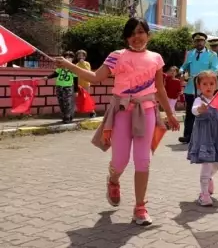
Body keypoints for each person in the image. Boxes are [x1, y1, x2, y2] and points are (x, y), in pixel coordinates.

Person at [54, 17, 180, 225]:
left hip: (147, 111)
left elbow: (160, 89)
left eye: (140, 32)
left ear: (148, 34)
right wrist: (69, 65)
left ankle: (140, 208)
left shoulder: (156, 58)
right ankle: (113, 180)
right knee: (120, 160)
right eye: (131, 34)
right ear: (126, 38)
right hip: (122, 111)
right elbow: (95, 77)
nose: (136, 37)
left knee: (143, 160)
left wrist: (170, 113)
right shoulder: (117, 56)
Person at [187, 70, 218, 206]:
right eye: (205, 84)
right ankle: (204, 194)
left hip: (216, 136)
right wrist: (200, 109)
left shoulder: (217, 99)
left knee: (217, 163)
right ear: (199, 86)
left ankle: (209, 178)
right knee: (207, 164)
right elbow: (194, 110)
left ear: (217, 85)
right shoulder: (199, 100)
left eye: (212, 83)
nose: (208, 86)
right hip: (204, 137)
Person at [179, 32, 218, 144]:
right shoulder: (190, 54)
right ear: (194, 42)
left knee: (206, 112)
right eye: (196, 41)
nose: (199, 43)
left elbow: (214, 70)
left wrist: (203, 77)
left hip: (205, 89)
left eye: (201, 40)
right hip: (191, 88)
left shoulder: (212, 55)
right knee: (190, 112)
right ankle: (188, 136)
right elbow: (184, 66)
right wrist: (181, 71)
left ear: (204, 42)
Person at [44, 51, 78, 123]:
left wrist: (76, 90)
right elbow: (55, 74)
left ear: (73, 59)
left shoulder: (74, 68)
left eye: (70, 57)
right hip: (59, 86)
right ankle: (64, 116)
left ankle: (68, 117)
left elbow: (75, 79)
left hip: (68, 87)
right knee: (61, 102)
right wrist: (47, 77)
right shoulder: (60, 67)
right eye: (66, 57)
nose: (68, 58)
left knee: (67, 102)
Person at [75, 50, 96, 118]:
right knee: (80, 98)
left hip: (86, 83)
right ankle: (82, 111)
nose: (81, 56)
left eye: (82, 55)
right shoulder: (77, 64)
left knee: (87, 98)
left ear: (84, 56)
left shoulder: (87, 63)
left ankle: (92, 112)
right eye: (79, 55)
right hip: (79, 84)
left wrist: (83, 63)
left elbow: (88, 71)